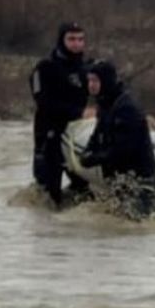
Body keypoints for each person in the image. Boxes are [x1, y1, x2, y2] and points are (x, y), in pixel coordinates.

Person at [79, 60, 155, 219]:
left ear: (106, 81)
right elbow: (96, 136)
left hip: (140, 183)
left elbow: (122, 150)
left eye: (95, 80)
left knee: (129, 224)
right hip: (120, 182)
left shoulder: (127, 109)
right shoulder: (105, 106)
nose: (91, 85)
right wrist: (86, 154)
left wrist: (95, 158)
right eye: (89, 80)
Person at [29, 22, 91, 207]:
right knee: (49, 194)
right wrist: (79, 112)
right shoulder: (45, 68)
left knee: (85, 190)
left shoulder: (87, 68)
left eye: (80, 39)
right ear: (61, 40)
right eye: (71, 39)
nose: (76, 44)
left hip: (77, 137)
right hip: (49, 136)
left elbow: (109, 91)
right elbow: (43, 102)